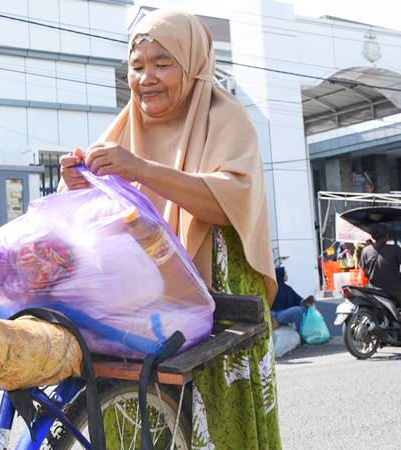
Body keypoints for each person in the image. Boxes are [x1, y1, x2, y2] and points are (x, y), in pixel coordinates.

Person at [59, 9, 280, 448]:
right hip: (141, 312)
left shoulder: (227, 119)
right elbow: (100, 225)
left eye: (162, 64)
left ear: (193, 64)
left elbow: (230, 200)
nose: (147, 78)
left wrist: (141, 169)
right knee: (135, 420)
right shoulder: (124, 127)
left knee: (215, 422)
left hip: (218, 308)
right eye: (137, 66)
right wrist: (80, 186)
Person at [360, 226, 401, 337]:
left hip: (372, 289)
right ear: (387, 236)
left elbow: (364, 270)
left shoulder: (366, 250)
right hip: (395, 289)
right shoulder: (394, 249)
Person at [270, 267, 315, 332]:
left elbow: (299, 300)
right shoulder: (274, 289)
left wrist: (307, 301)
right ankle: (301, 332)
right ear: (280, 275)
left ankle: (310, 331)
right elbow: (268, 307)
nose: (286, 275)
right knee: (297, 311)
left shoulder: (288, 288)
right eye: (285, 273)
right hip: (278, 315)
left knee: (307, 308)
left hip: (287, 312)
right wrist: (273, 317)